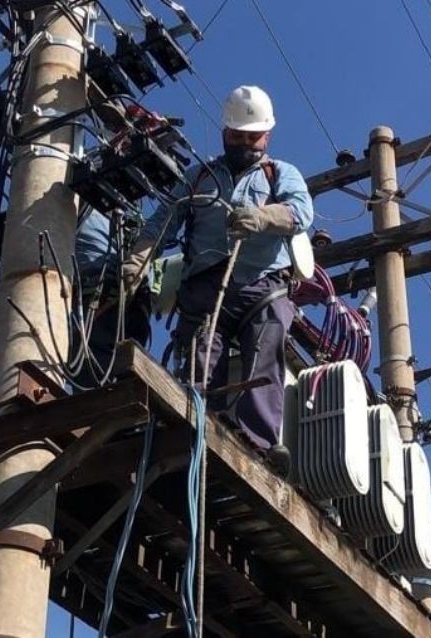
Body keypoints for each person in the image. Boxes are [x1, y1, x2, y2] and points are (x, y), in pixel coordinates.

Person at [121, 85, 313, 469]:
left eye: (252, 137)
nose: (244, 143)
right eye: (238, 136)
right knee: (200, 351)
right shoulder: (199, 178)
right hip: (207, 285)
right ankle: (193, 421)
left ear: (266, 136)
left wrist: (262, 217)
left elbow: (300, 212)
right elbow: (164, 220)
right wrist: (138, 259)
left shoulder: (280, 174)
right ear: (225, 132)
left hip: (263, 283)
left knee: (266, 341)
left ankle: (257, 439)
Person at [73, 207, 151, 387]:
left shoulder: (79, 208)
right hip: (129, 302)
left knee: (92, 382)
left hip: (102, 301)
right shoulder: (131, 218)